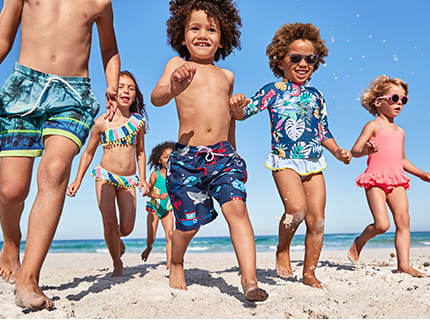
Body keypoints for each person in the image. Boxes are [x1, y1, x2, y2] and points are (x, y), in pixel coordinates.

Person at [0, 0, 119, 310]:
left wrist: (111, 84)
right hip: (23, 89)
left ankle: (29, 277)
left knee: (54, 171)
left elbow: (109, 50)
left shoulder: (99, 3)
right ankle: (11, 241)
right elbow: (3, 37)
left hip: (73, 96)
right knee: (11, 191)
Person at [150, 0, 268, 302]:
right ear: (182, 35)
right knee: (188, 225)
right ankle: (176, 262)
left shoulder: (226, 76)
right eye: (195, 28)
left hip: (224, 156)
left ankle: (249, 280)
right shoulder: (177, 66)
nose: (203, 35)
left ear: (223, 37)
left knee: (238, 209)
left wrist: (237, 118)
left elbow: (230, 118)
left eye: (212, 29)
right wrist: (173, 87)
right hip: (187, 160)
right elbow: (156, 98)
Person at [230, 22, 352, 288]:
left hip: (314, 161)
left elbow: (323, 131)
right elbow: (244, 113)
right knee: (296, 210)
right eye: (295, 58)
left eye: (310, 58)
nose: (303, 63)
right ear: (280, 60)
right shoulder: (273, 91)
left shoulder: (316, 95)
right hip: (284, 160)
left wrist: (338, 152)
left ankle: (309, 272)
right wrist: (237, 107)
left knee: (317, 220)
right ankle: (282, 249)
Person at [347, 75, 430, 277]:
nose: (399, 103)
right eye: (394, 98)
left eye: (404, 100)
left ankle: (404, 265)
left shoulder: (400, 131)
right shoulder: (373, 126)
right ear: (378, 102)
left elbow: (401, 159)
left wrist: (421, 174)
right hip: (375, 179)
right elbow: (355, 150)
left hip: (397, 180)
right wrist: (366, 150)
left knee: (403, 222)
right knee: (382, 224)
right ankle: (359, 242)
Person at [67, 71, 148, 277]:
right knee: (109, 221)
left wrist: (143, 179)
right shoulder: (101, 122)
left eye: (131, 88)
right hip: (105, 177)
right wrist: (77, 180)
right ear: (113, 91)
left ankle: (115, 238)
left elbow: (140, 153)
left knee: (127, 227)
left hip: (128, 180)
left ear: (135, 95)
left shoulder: (138, 122)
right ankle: (116, 263)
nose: (126, 91)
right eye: (121, 87)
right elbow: (88, 153)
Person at [141, 141, 175, 269]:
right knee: (152, 238)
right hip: (154, 209)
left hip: (167, 209)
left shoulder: (175, 176)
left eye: (171, 157)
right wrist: (158, 196)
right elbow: (147, 192)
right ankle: (149, 247)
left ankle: (169, 262)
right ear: (159, 160)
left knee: (170, 235)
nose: (169, 159)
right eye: (166, 157)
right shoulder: (155, 174)